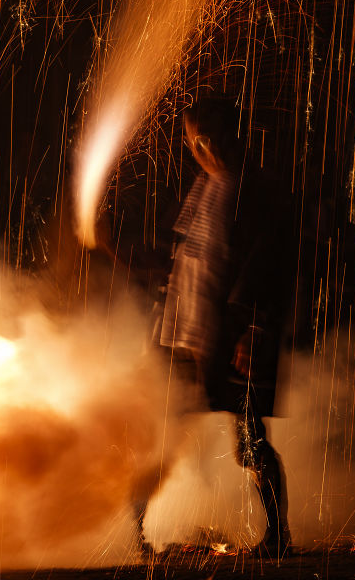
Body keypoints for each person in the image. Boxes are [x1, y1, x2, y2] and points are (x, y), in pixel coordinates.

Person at [130, 98, 292, 560]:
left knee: (251, 436)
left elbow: (268, 269)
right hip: (186, 335)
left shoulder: (255, 191)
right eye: (194, 140)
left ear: (231, 134)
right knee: (158, 431)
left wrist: (253, 330)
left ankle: (278, 535)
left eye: (209, 136)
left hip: (232, 336)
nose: (203, 148)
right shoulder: (204, 187)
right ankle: (140, 540)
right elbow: (188, 261)